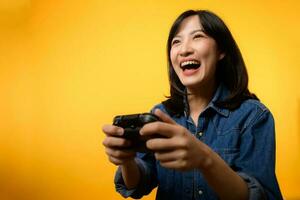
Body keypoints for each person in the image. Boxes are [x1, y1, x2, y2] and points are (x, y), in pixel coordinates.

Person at [102, 10, 283, 200]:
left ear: (221, 50)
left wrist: (205, 158)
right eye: (176, 42)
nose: (184, 50)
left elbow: (261, 197)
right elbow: (139, 185)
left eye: (197, 36)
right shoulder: (161, 114)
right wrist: (127, 160)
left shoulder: (254, 116)